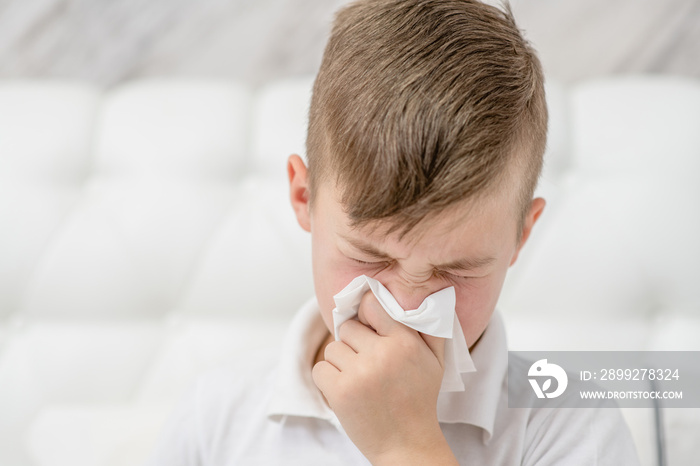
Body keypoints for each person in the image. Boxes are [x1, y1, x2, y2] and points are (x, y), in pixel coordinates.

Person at [147, 0, 640, 464]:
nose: (406, 307)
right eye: (369, 255)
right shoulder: (218, 415)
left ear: (520, 236)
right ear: (304, 199)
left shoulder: (570, 423)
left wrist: (407, 447)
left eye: (455, 269)